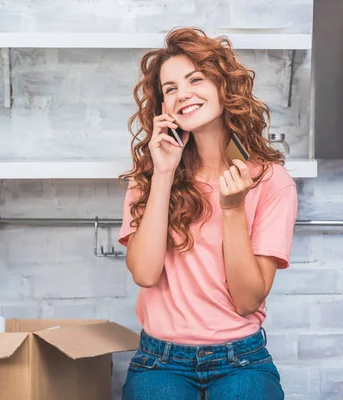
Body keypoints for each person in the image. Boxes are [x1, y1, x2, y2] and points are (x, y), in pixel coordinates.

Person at [118, 27, 297, 400]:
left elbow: (248, 300)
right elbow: (145, 273)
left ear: (223, 86)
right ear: (163, 106)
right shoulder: (150, 176)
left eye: (195, 79)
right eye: (170, 88)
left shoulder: (271, 182)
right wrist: (164, 172)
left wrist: (233, 210)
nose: (183, 93)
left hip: (242, 360)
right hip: (160, 360)